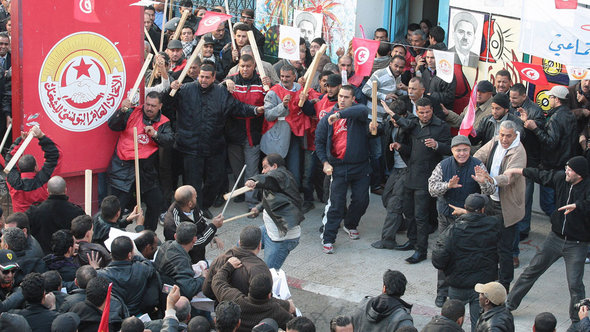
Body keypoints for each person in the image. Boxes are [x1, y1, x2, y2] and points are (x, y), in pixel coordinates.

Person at [504, 156, 590, 331]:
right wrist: (516, 170)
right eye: (566, 168)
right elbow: (541, 175)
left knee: (575, 284)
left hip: (577, 244)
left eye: (570, 170)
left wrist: (578, 205)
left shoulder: (587, 187)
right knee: (531, 271)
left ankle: (577, 321)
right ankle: (509, 305)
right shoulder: (561, 179)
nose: (566, 172)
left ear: (579, 174)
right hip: (554, 238)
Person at [170, 64, 264, 219]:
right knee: (192, 182)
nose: (203, 80)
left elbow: (237, 107)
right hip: (190, 146)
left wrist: (255, 110)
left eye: (207, 77)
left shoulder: (221, 92)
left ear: (214, 78)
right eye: (201, 76)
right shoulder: (185, 89)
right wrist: (170, 89)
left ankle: (204, 205)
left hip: (214, 145)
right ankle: (196, 210)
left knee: (215, 179)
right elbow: (168, 104)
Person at [428, 136, 495, 308]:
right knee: (444, 255)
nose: (462, 153)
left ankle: (474, 291)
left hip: (471, 221)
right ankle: (442, 293)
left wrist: (484, 182)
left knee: (471, 255)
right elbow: (431, 189)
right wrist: (447, 186)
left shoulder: (478, 165)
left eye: (465, 150)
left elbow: (491, 190)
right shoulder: (443, 165)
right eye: (458, 150)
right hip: (447, 218)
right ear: (452, 151)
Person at [315, 86, 378, 253]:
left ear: (353, 99)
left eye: (346, 97)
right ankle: (328, 239)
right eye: (340, 96)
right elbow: (319, 142)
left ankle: (350, 224)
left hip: (361, 166)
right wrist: (325, 162)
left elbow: (363, 109)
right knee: (335, 205)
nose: (342, 100)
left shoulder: (358, 115)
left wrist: (339, 115)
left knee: (362, 200)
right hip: (338, 168)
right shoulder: (327, 118)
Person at [389, 97, 451, 263]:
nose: (424, 115)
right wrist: (400, 147)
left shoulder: (441, 126)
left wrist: (437, 145)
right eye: (421, 112)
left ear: (432, 110)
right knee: (408, 212)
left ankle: (421, 250)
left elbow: (450, 148)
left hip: (427, 176)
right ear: (416, 111)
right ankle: (412, 240)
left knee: (421, 216)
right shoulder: (414, 125)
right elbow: (412, 151)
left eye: (428, 112)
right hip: (411, 173)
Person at [432, 193, 501, 331]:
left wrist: (449, 270)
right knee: (478, 325)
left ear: (465, 207)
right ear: (482, 210)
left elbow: (438, 260)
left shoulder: (452, 231)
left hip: (458, 284)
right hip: (482, 286)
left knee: (450, 323)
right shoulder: (494, 225)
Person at [108, 91, 173, 231]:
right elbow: (112, 125)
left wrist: (155, 134)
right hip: (124, 166)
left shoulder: (163, 122)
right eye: (147, 104)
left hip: (146, 169)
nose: (149, 108)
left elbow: (169, 141)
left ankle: (148, 234)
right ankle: (114, 235)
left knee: (155, 201)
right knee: (117, 207)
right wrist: (121, 111)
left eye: (153, 106)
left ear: (160, 106)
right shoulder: (132, 112)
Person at [474, 120, 526, 291]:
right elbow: (479, 155)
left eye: (508, 136)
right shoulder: (495, 140)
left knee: (505, 248)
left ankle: (504, 284)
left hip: (506, 206)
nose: (504, 139)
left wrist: (489, 180)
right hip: (490, 201)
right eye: (502, 134)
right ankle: (490, 278)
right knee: (489, 243)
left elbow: (509, 178)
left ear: (515, 135)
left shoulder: (518, 151)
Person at [520, 85, 578, 216]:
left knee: (548, 203)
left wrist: (534, 128)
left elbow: (550, 142)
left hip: (552, 166)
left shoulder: (556, 117)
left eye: (551, 97)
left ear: (556, 99)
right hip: (564, 165)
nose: (549, 99)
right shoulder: (570, 115)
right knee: (557, 201)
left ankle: (559, 226)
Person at [224, 54, 271, 210]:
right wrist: (225, 82)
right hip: (233, 132)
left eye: (248, 66)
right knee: (237, 168)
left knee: (251, 168)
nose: (245, 69)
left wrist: (269, 86)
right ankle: (240, 193)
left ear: (254, 67)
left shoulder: (262, 81)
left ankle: (251, 202)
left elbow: (272, 97)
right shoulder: (231, 80)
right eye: (242, 66)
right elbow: (228, 102)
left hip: (253, 133)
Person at [509, 83, 546, 265]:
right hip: (513, 158)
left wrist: (527, 123)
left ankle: (523, 228)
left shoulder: (535, 111)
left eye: (515, 97)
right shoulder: (510, 108)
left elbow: (539, 134)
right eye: (510, 97)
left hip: (529, 160)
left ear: (524, 96)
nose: (512, 100)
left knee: (526, 196)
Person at [261, 64, 314, 187]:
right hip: (278, 136)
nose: (284, 79)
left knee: (294, 169)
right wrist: (283, 106)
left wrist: (307, 101)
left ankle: (292, 196)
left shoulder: (301, 89)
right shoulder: (273, 92)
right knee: (273, 170)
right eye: (282, 76)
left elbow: (311, 109)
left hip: (295, 134)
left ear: (294, 76)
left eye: (288, 76)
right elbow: (268, 115)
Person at [247, 154, 303, 269]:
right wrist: (258, 207)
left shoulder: (281, 175)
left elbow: (266, 178)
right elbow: (274, 197)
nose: (263, 171)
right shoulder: (279, 180)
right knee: (242, 246)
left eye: (265, 167)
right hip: (270, 229)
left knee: (268, 274)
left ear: (275, 166)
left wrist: (254, 180)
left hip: (281, 239)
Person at [362, 55, 408, 193]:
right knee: (376, 153)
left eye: (401, 67)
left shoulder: (397, 77)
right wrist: (384, 96)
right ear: (390, 64)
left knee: (382, 152)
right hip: (373, 118)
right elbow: (366, 89)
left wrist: (403, 89)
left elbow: (396, 91)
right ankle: (375, 185)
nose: (398, 69)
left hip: (386, 120)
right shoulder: (379, 74)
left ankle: (380, 181)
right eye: (396, 66)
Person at [212, 257, 295, 331]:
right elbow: (296, 327)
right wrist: (290, 308)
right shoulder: (277, 312)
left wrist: (228, 266)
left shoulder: (236, 301)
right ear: (269, 295)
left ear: (249, 289)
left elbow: (217, 282)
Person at [372, 99, 412, 250]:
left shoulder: (410, 125)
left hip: (408, 169)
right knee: (386, 197)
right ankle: (401, 224)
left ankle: (388, 239)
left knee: (395, 203)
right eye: (393, 119)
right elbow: (377, 132)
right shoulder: (389, 123)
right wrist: (372, 128)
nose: (395, 123)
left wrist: (401, 147)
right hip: (395, 168)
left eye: (398, 119)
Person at [203, 225, 271, 302]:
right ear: (259, 246)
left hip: (223, 310)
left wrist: (222, 299)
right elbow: (265, 300)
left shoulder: (220, 259)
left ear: (239, 243)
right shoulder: (260, 269)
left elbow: (207, 291)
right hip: (249, 312)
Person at [97, 236, 160, 316]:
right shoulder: (141, 269)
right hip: (137, 315)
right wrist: (133, 256)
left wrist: (96, 268)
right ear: (130, 254)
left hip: (115, 316)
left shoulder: (102, 275)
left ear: (111, 254)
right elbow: (149, 263)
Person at [163, 185, 224, 263]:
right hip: (185, 261)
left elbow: (202, 220)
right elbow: (194, 243)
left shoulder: (192, 206)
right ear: (190, 203)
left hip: (198, 256)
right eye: (195, 197)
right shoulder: (173, 223)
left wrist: (213, 235)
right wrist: (213, 227)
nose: (197, 198)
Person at [5, 126, 59, 212]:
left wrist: (21, 141)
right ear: (35, 167)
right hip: (41, 222)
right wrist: (41, 136)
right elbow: (54, 156)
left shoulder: (13, 182)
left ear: (19, 168)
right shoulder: (43, 180)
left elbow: (9, 159)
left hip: (21, 222)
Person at [26, 176, 85, 253]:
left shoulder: (35, 211)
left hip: (43, 257)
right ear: (65, 190)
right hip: (69, 257)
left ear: (47, 191)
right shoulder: (77, 212)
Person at [154, 222, 205, 298]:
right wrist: (203, 278)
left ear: (175, 236)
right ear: (194, 240)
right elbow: (189, 290)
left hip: (161, 287)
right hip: (169, 296)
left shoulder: (166, 244)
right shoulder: (182, 261)